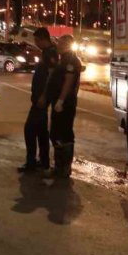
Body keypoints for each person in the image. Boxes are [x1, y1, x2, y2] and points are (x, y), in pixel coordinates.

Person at [18, 28, 58, 173]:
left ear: (42, 39)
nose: (35, 43)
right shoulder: (48, 52)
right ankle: (44, 161)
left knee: (29, 129)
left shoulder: (50, 53)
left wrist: (44, 95)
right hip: (40, 98)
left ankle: (31, 162)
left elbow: (51, 76)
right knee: (41, 131)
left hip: (41, 99)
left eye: (36, 40)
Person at [46, 34, 82, 179]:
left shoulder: (70, 60)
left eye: (61, 44)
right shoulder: (64, 59)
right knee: (57, 133)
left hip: (65, 104)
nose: (58, 46)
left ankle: (64, 168)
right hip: (61, 102)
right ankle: (60, 166)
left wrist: (61, 100)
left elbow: (69, 81)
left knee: (63, 133)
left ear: (67, 45)